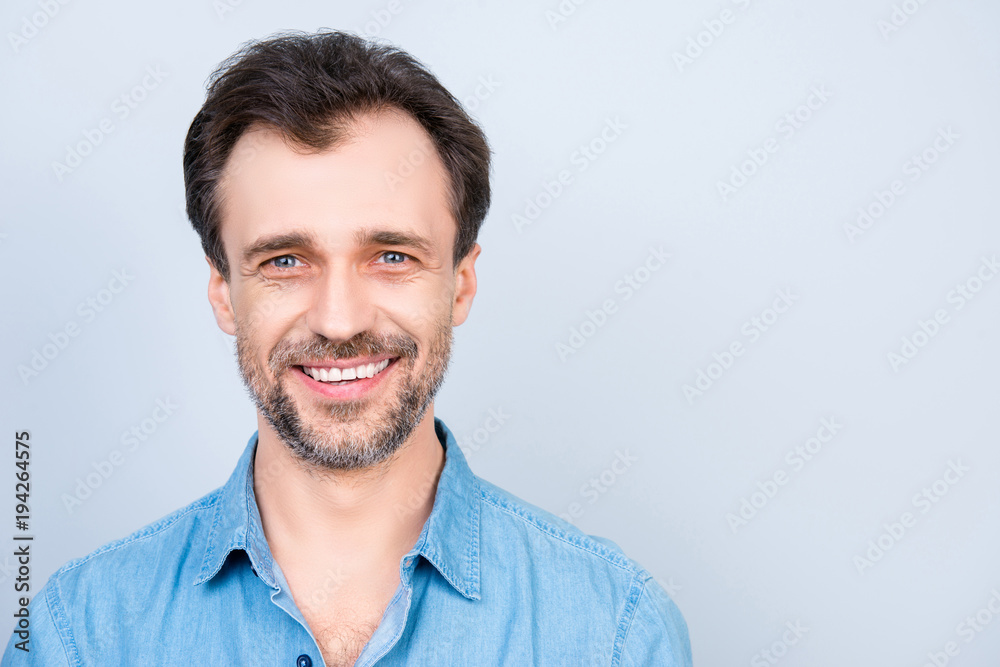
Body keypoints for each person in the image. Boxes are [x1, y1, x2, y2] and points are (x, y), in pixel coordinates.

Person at [2, 30, 691, 666]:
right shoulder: (81, 634)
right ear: (223, 292)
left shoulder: (615, 633)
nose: (337, 320)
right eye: (284, 261)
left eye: (390, 255)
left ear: (461, 283)